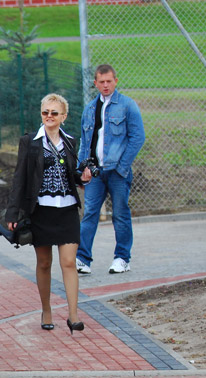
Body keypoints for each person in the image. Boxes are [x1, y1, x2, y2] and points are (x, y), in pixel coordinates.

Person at [6, 94, 85, 334]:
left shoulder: (70, 142)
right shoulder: (30, 142)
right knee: (44, 263)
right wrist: (13, 213)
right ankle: (46, 309)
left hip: (67, 208)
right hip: (41, 210)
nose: (49, 116)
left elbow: (73, 174)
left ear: (63, 116)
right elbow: (20, 177)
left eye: (54, 113)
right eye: (45, 112)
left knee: (69, 262)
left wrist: (83, 177)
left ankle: (73, 316)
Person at [75, 64, 145, 276]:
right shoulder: (89, 109)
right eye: (101, 82)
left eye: (109, 81)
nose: (105, 85)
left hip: (117, 172)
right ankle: (82, 259)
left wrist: (122, 166)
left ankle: (122, 258)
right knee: (90, 214)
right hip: (95, 173)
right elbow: (85, 141)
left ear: (116, 81)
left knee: (120, 215)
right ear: (95, 83)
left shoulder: (127, 105)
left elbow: (137, 137)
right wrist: (82, 169)